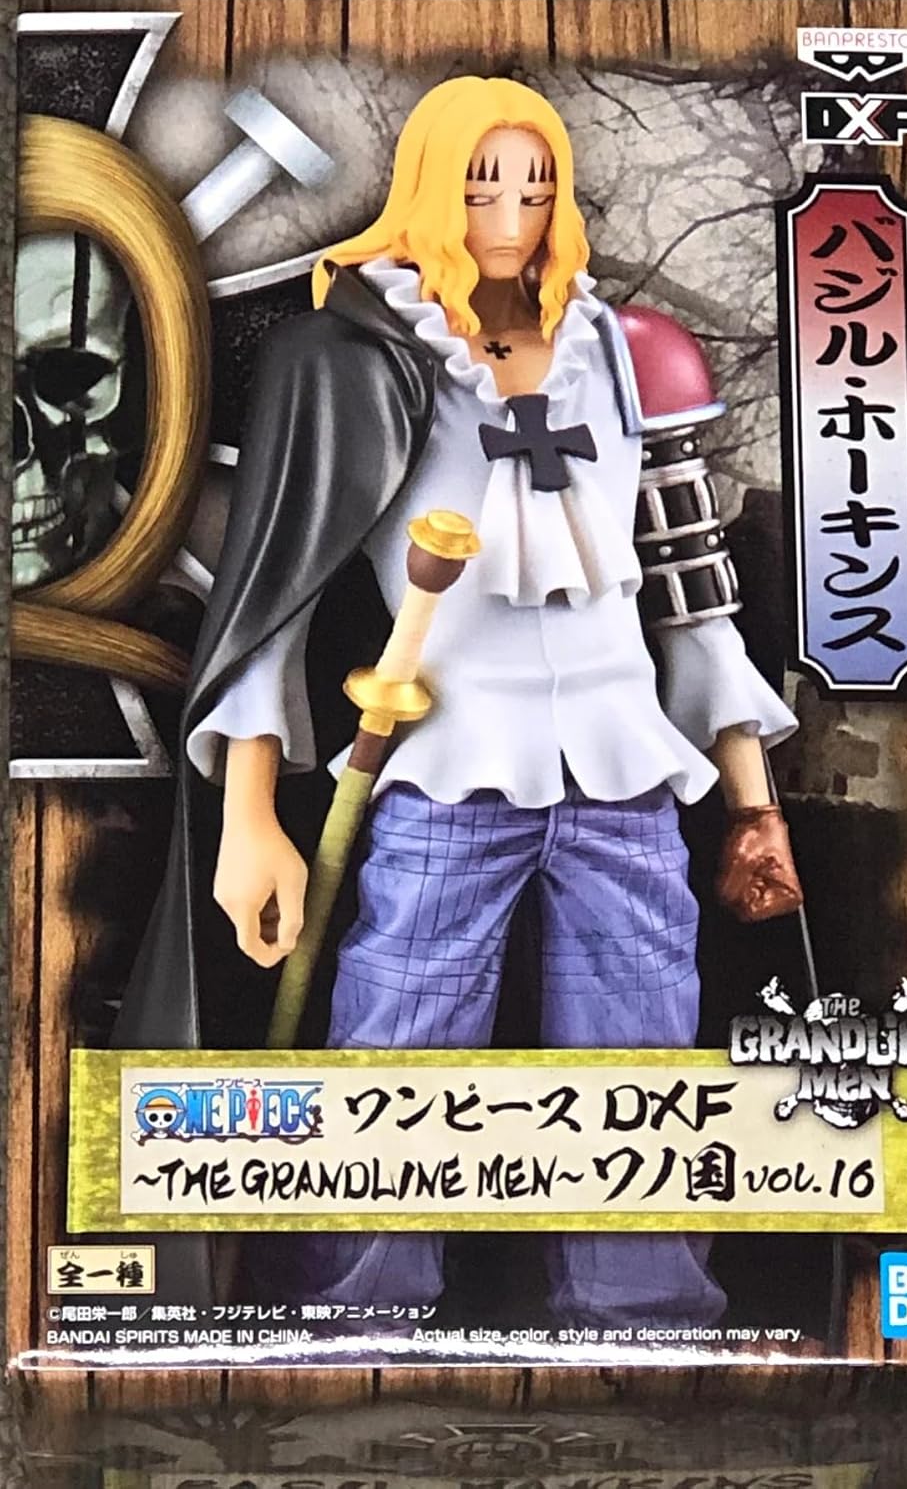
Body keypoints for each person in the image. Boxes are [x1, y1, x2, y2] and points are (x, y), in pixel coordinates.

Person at [117, 75, 802, 1332]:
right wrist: (250, 816)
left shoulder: (630, 353)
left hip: (623, 773)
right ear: (433, 184)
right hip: (443, 764)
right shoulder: (359, 355)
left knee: (644, 1066)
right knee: (397, 1053)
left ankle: (645, 1319)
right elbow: (278, 593)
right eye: (483, 183)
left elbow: (689, 593)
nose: (511, 211)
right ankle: (351, 1324)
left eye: (535, 184)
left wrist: (753, 803)